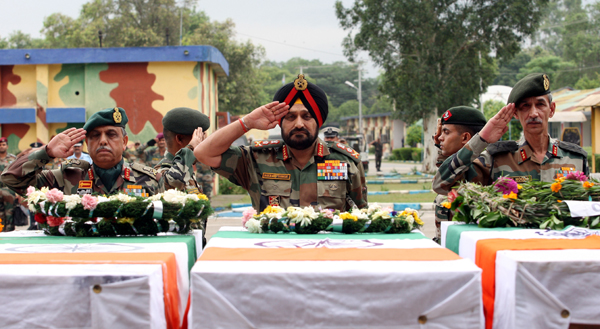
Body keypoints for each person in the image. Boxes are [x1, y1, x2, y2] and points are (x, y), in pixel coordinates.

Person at [194, 74, 368, 212]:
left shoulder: (347, 162)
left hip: (327, 252)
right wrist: (247, 122)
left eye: (306, 116)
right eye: (290, 117)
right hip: (272, 252)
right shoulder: (256, 159)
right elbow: (204, 153)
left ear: (319, 121)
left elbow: (361, 215)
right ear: (280, 122)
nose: (299, 124)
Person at [433, 73, 588, 196]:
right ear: (515, 113)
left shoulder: (576, 158)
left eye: (540, 104)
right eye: (525, 106)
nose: (533, 113)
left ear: (552, 109)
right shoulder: (497, 160)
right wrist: (481, 139)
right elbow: (441, 184)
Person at [2, 107, 162, 196]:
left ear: (124, 142)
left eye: (111, 134)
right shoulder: (64, 178)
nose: (103, 140)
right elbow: (11, 179)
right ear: (87, 143)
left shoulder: (149, 180)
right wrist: (47, 152)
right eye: (95, 135)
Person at [432, 106, 486, 243]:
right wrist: (440, 147)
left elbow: (443, 181)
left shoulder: (479, 167)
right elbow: (447, 167)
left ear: (465, 137)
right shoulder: (454, 167)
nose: (440, 137)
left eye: (446, 132)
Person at [157, 107, 210, 194]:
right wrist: (190, 149)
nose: (203, 142)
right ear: (180, 139)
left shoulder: (185, 167)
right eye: (199, 138)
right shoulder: (162, 171)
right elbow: (175, 181)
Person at [0, 137, 17, 231]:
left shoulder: (13, 158)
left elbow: (18, 174)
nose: (1, 147)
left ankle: (10, 234)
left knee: (10, 214)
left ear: (7, 146)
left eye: (3, 145)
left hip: (9, 190)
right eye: (0, 145)